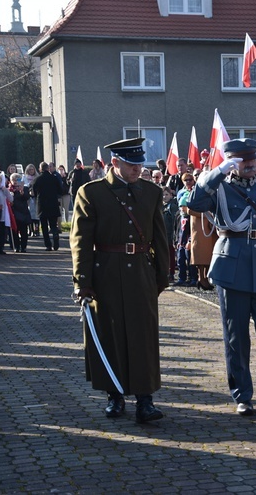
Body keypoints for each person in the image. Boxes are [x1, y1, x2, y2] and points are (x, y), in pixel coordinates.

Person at [187, 138, 256, 417]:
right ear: (232, 162)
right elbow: (194, 202)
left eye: (252, 160)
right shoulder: (219, 187)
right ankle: (243, 395)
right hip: (232, 269)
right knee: (236, 338)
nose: (250, 165)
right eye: (243, 161)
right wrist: (219, 171)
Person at [70, 137, 170, 423]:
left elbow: (160, 238)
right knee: (109, 335)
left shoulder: (151, 192)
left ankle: (145, 399)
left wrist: (161, 276)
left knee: (143, 337)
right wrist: (83, 282)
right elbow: (80, 241)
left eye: (140, 163)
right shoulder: (92, 193)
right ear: (114, 163)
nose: (138, 169)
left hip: (140, 272)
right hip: (106, 273)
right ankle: (114, 396)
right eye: (131, 164)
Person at [32, 162, 63, 251]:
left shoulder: (37, 179)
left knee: (44, 226)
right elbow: (60, 190)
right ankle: (55, 234)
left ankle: (48, 245)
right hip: (53, 204)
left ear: (40, 169)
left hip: (42, 205)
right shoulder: (54, 178)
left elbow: (34, 192)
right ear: (47, 169)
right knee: (53, 224)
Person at [9, 174, 31, 253]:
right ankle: (16, 246)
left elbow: (27, 197)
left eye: (17, 180)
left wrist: (22, 192)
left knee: (23, 231)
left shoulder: (24, 188)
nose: (15, 182)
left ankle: (23, 247)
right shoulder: (9, 189)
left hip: (23, 212)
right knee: (15, 230)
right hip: (14, 212)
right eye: (13, 180)